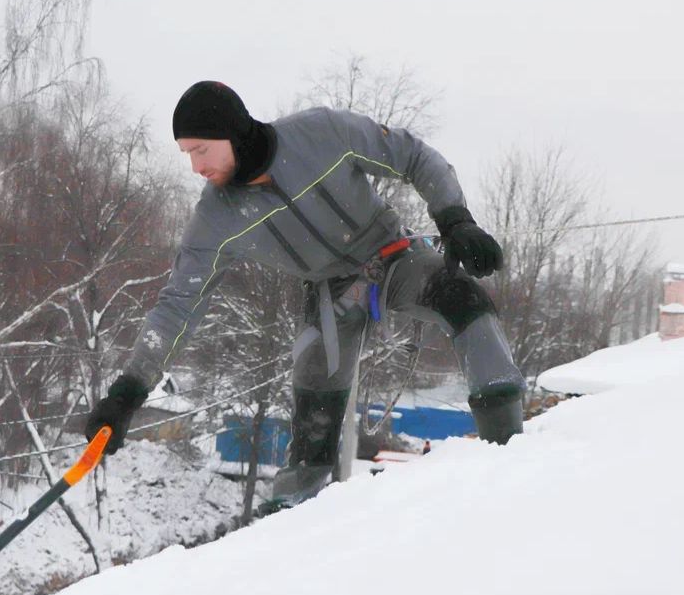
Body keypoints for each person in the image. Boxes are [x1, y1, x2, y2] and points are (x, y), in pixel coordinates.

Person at [84, 81, 524, 507]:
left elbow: (412, 156)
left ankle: (507, 446)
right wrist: (128, 392)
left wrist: (455, 219)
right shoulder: (216, 218)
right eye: (187, 154)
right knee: (315, 415)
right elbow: (177, 307)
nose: (196, 167)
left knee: (467, 301)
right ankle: (289, 520)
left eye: (201, 150)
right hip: (330, 292)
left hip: (390, 253)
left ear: (233, 134)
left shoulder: (322, 133)